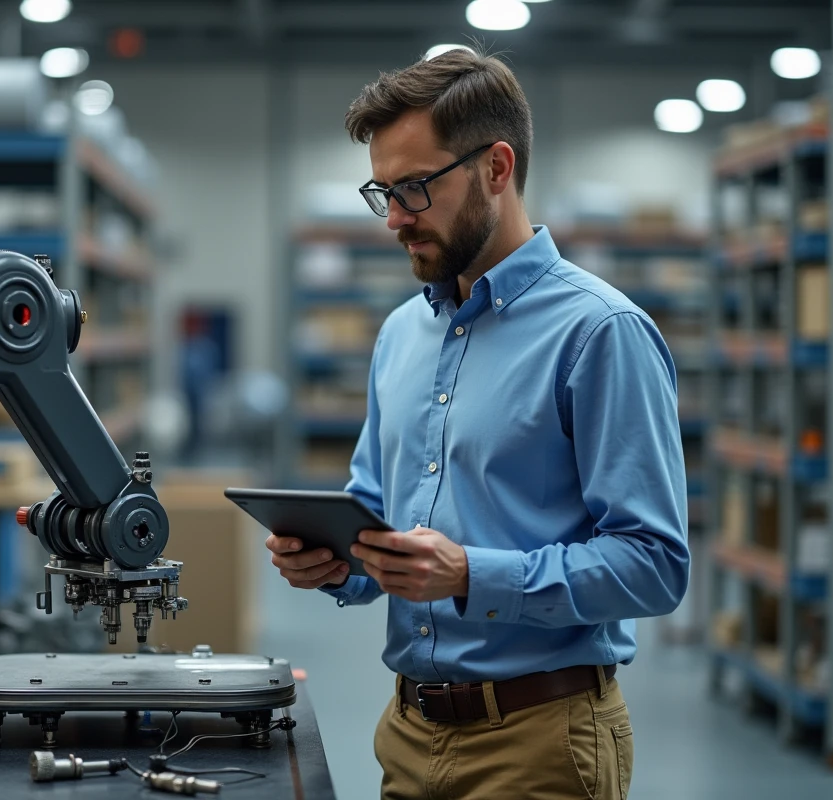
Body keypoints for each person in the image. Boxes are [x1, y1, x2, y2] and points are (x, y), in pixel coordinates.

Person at [265, 47, 689, 800]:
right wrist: (336, 563)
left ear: (497, 168)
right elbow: (380, 524)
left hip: (541, 742)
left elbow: (655, 564)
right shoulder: (401, 334)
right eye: (382, 192)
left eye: (415, 189)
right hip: (407, 734)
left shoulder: (599, 333)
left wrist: (471, 575)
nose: (394, 218)